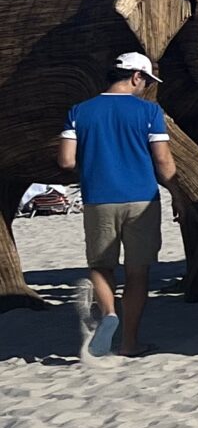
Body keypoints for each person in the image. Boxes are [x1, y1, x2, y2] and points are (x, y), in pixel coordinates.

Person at [56, 50, 177, 359]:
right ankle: (129, 342)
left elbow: (66, 161)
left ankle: (109, 312)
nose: (146, 87)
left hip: (99, 197)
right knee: (138, 272)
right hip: (141, 199)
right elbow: (163, 161)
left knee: (100, 265)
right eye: (147, 81)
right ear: (136, 76)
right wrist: (176, 192)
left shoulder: (79, 111)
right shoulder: (150, 112)